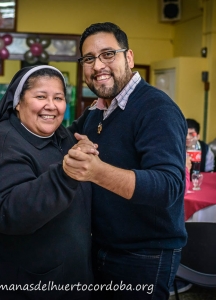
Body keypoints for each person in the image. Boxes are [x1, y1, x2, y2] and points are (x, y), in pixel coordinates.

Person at [64, 22, 187, 300]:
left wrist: (97, 172)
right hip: (101, 246)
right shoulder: (97, 110)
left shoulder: (157, 109)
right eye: (89, 58)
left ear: (128, 57)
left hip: (144, 255)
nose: (98, 66)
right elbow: (66, 140)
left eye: (108, 54)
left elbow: (168, 187)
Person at [0, 66, 94, 300]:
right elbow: (8, 211)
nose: (51, 105)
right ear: (17, 103)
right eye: (41, 96)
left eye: (58, 98)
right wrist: (66, 173)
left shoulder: (61, 137)